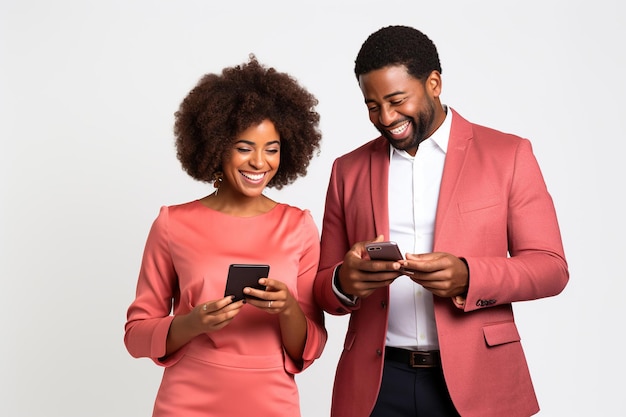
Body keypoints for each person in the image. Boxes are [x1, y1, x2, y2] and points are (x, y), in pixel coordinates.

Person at [313, 25, 569, 417]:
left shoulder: (508, 154)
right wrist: (344, 281)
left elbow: (551, 268)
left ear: (434, 83)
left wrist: (469, 276)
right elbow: (322, 287)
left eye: (397, 100)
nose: (386, 117)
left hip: (479, 381)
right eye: (372, 105)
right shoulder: (347, 170)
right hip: (376, 387)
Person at [124, 55, 327, 417]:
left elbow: (309, 347)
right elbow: (136, 335)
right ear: (217, 147)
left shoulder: (299, 226)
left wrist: (288, 309)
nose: (259, 162)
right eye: (244, 147)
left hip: (271, 404)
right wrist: (191, 323)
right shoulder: (172, 223)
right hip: (187, 403)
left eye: (272, 149)